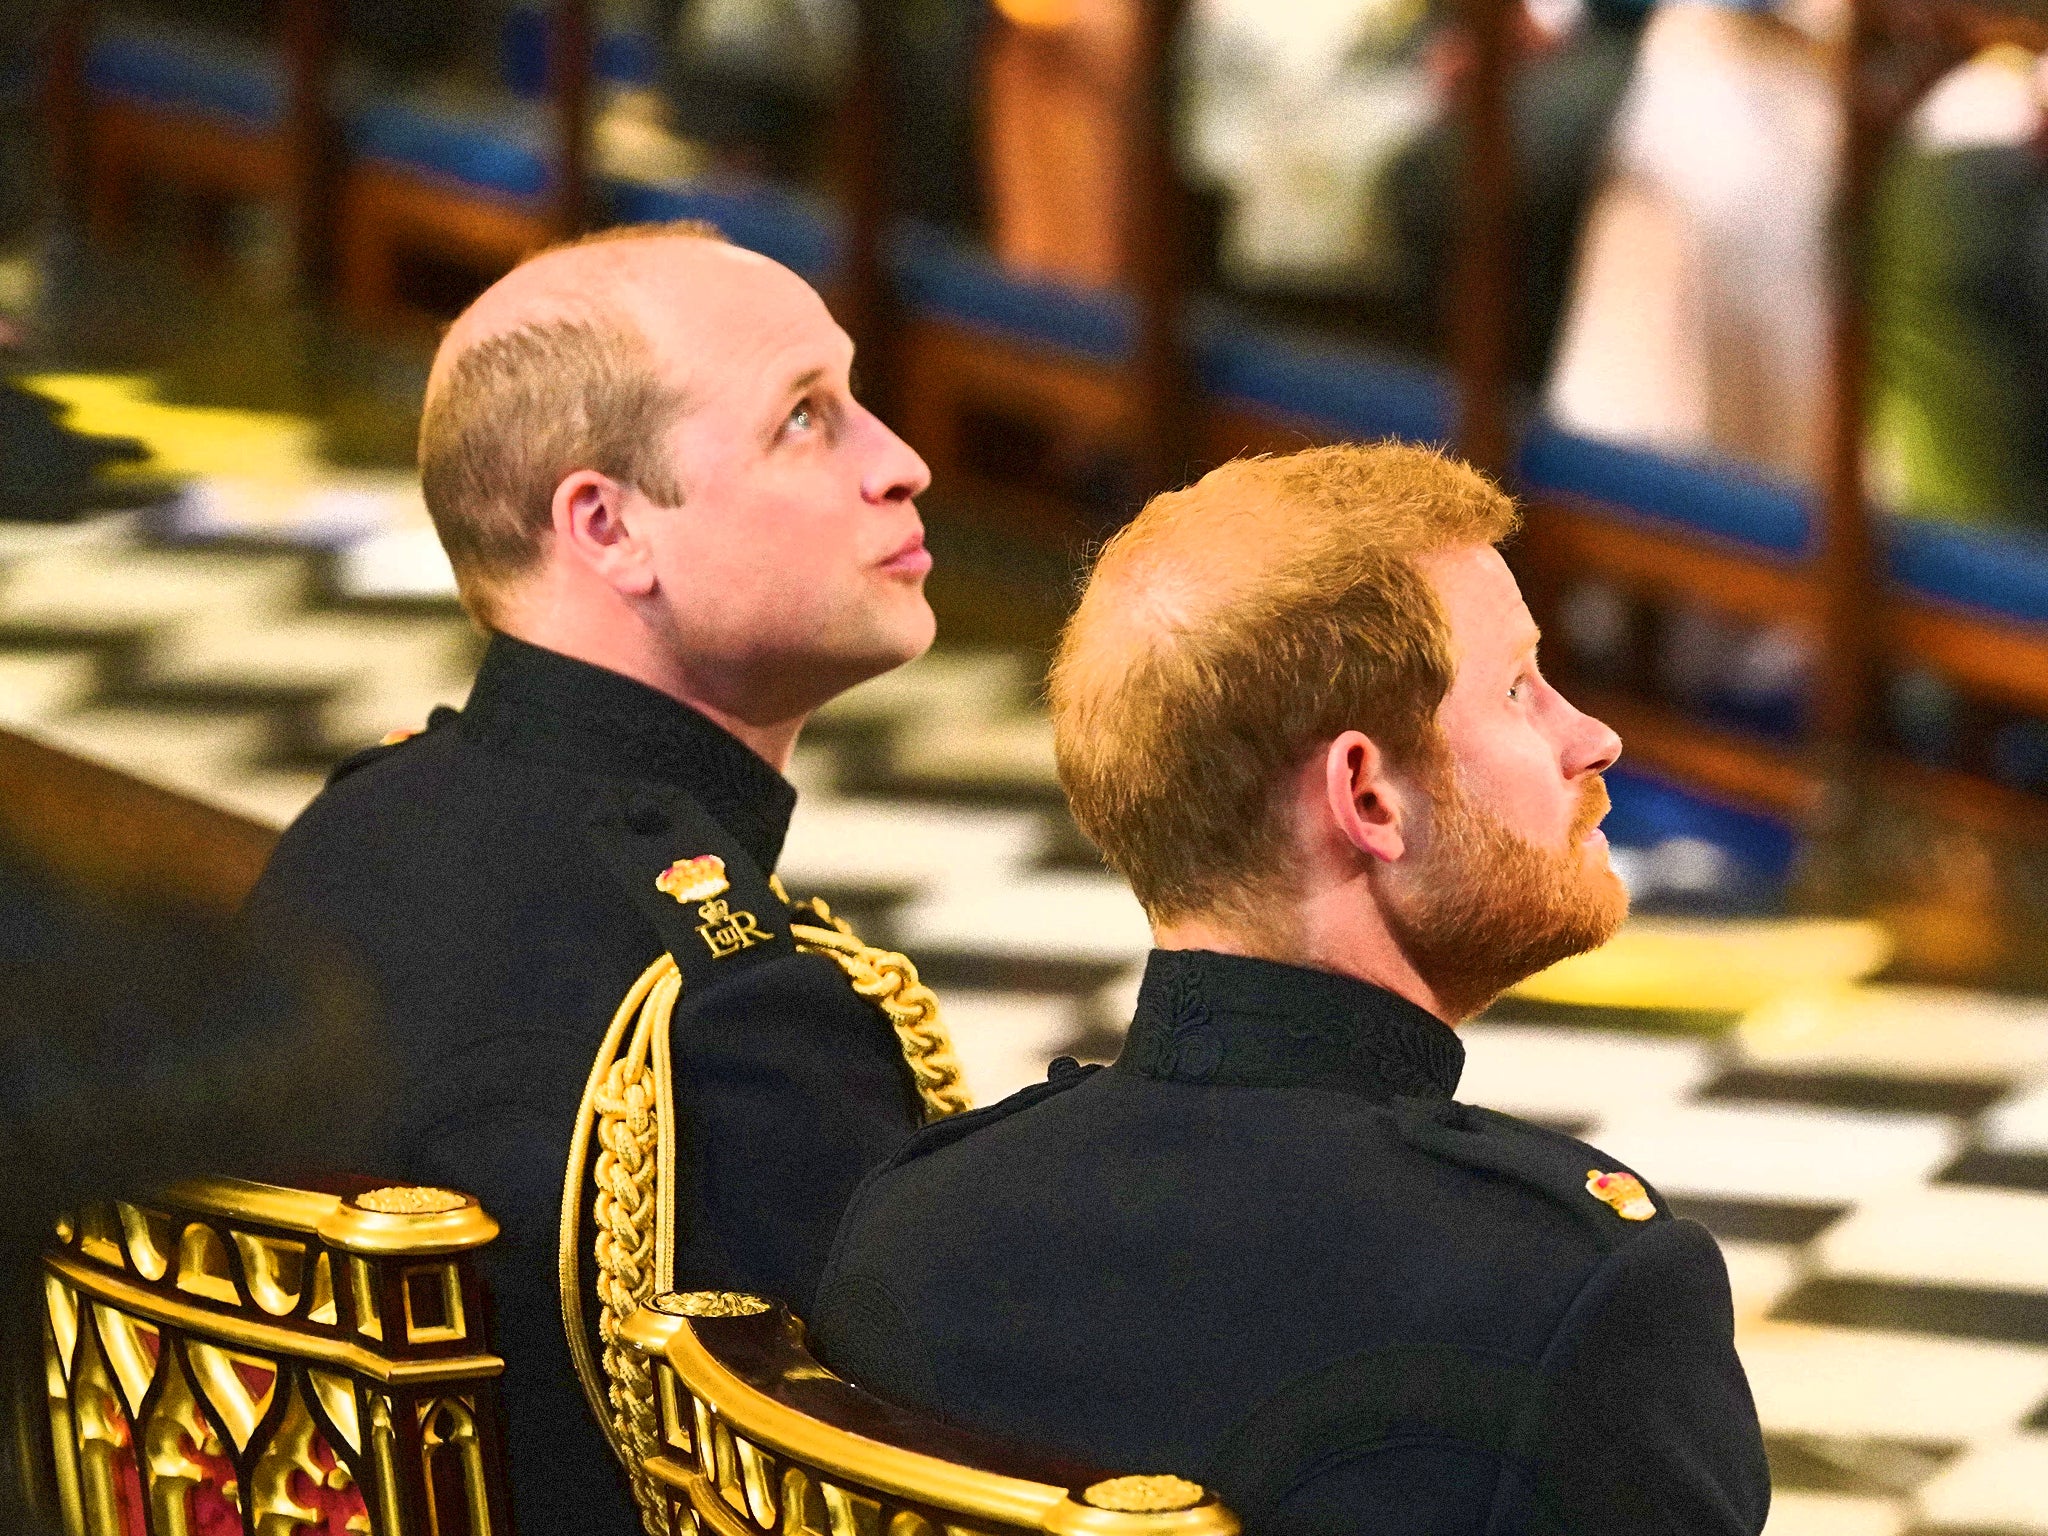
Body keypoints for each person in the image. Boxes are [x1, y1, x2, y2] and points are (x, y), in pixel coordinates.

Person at [813, 443, 1771, 1535]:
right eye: (1517, 688)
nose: (1590, 738)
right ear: (1366, 795)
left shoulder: (911, 1225)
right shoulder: (1568, 1293)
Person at [242, 222, 959, 1534]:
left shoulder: (349, 835)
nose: (901, 465)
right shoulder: (722, 1020)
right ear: (607, 525)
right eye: (807, 418)